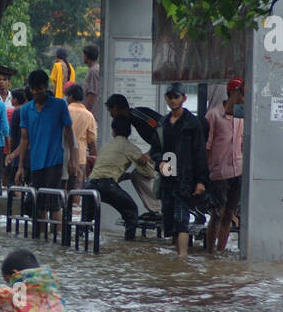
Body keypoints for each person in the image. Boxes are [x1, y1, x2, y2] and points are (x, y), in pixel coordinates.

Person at [8, 70, 79, 236]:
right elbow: (24, 139)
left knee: (53, 201)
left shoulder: (59, 105)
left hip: (54, 161)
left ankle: (57, 236)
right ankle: (41, 238)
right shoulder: (26, 110)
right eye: (32, 89)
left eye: (38, 89)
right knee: (39, 203)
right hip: (35, 162)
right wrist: (20, 166)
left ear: (45, 87)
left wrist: (72, 160)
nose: (35, 92)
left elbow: (69, 133)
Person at [158, 85, 209, 257]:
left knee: (182, 218)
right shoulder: (163, 123)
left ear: (183, 99)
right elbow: (156, 148)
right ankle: (176, 256)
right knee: (169, 218)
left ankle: (182, 257)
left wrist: (201, 181)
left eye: (176, 97)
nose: (173, 100)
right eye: (170, 97)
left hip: (185, 177)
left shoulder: (192, 124)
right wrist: (159, 162)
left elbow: (200, 153)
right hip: (167, 176)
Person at [86, 114, 156, 241]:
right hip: (107, 185)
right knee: (131, 212)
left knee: (85, 220)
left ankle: (80, 244)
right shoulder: (130, 147)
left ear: (113, 132)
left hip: (89, 186)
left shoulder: (106, 147)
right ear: (129, 132)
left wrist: (125, 175)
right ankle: (128, 244)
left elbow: (105, 169)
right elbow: (150, 173)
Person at [105, 93, 164, 215]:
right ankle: (157, 208)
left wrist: (150, 153)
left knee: (141, 174)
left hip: (169, 151)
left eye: (110, 110)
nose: (111, 114)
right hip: (161, 151)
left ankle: (158, 209)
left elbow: (161, 129)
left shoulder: (137, 115)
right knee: (138, 174)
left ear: (115, 108)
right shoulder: (133, 119)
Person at [205, 78, 245, 253]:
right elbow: (207, 146)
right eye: (243, 94)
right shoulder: (213, 115)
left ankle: (220, 251)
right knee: (217, 213)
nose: (245, 98)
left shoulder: (242, 116)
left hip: (237, 171)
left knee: (229, 214)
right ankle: (210, 251)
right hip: (218, 173)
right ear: (234, 93)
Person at [65, 83, 98, 187]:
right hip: (80, 156)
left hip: (63, 155)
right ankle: (75, 202)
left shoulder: (65, 111)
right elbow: (91, 140)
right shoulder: (88, 115)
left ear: (70, 96)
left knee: (62, 188)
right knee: (77, 187)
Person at [81, 44, 101, 112]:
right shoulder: (94, 69)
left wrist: (86, 111)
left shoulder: (93, 71)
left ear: (87, 56)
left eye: (84, 55)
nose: (83, 57)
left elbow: (92, 94)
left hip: (92, 113)